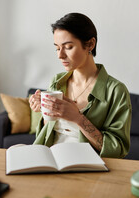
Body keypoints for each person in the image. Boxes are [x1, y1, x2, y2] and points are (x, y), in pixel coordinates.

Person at [29, 13, 131, 158]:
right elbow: (47, 133)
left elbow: (118, 150)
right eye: (57, 48)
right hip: (50, 160)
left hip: (87, 165)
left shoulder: (116, 91)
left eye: (68, 47)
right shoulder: (57, 82)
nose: (60, 55)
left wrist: (78, 118)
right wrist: (44, 111)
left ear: (90, 44)